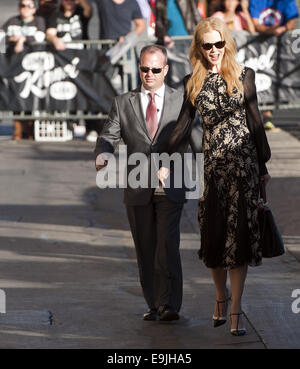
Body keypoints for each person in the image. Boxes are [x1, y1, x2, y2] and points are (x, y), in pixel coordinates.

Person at [168, 17, 271, 335]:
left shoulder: (243, 76)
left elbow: (255, 122)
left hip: (245, 170)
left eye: (218, 44)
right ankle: (220, 297)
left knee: (238, 240)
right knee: (213, 240)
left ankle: (237, 308)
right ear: (198, 48)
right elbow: (182, 129)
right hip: (213, 171)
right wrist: (161, 157)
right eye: (207, 45)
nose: (214, 50)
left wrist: (263, 166)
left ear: (227, 43)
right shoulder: (192, 82)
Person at [94, 45, 202, 321]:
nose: (149, 74)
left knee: (167, 243)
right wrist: (103, 153)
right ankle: (153, 303)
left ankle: (170, 305)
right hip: (138, 184)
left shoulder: (182, 101)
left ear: (165, 69)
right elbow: (109, 134)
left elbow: (194, 140)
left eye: (156, 69)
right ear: (139, 68)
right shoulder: (123, 102)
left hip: (171, 183)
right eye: (145, 69)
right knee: (145, 246)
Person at [249, 0, 299, 130]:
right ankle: (266, 115)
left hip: (283, 47)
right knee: (263, 79)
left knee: (289, 80)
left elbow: (291, 21)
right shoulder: (256, 1)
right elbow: (255, 24)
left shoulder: (286, 1)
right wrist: (273, 30)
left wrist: (282, 29)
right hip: (260, 47)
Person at [2, 0, 46, 140]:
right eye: (22, 5)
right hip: (14, 67)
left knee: (31, 100)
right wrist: (11, 38)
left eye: (29, 6)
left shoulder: (38, 21)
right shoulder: (12, 21)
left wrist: (23, 39)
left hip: (33, 67)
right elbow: (1, 36)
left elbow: (41, 37)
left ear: (34, 9)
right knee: (16, 97)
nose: (25, 8)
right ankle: (17, 131)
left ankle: (30, 131)